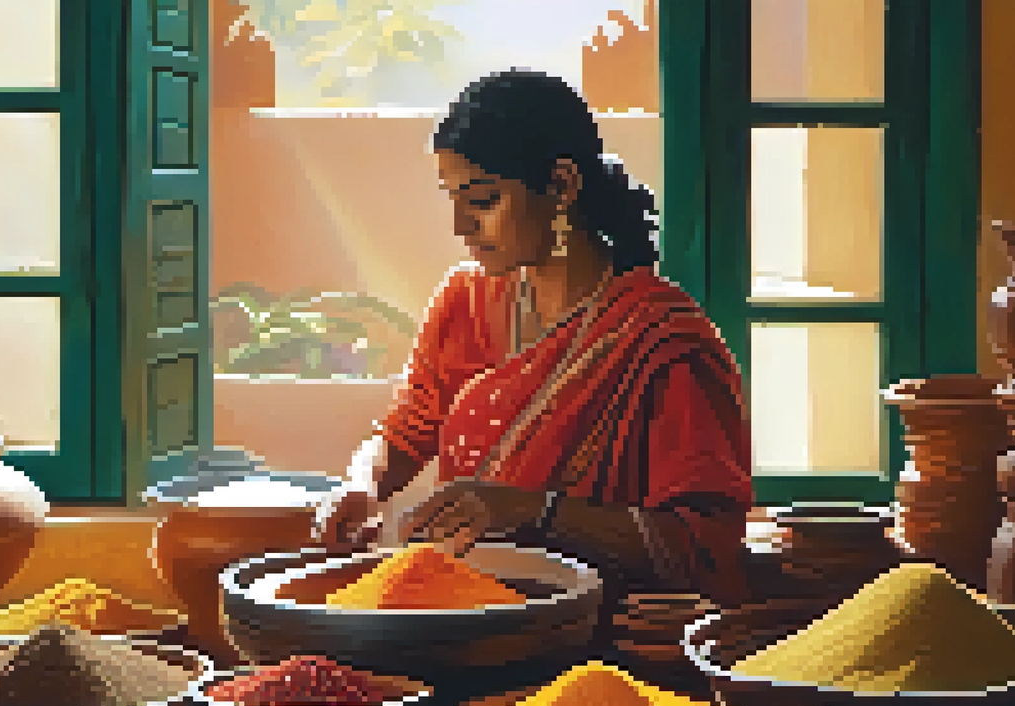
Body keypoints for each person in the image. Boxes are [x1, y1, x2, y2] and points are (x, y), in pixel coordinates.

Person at [317, 69, 752, 608]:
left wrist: (531, 511)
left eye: (481, 200)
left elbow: (703, 544)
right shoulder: (466, 300)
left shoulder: (661, 339)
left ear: (562, 185)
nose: (459, 226)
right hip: (460, 613)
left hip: (599, 630)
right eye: (451, 198)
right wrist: (363, 484)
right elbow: (405, 433)